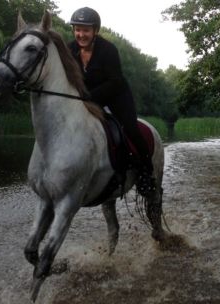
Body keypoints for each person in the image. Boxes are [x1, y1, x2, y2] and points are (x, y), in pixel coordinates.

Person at [68, 7, 155, 196]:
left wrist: (88, 97)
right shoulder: (70, 49)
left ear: (95, 31)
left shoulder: (108, 50)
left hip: (116, 94)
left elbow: (115, 82)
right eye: (77, 29)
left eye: (86, 30)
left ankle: (147, 173)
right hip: (87, 97)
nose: (81, 34)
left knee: (131, 129)